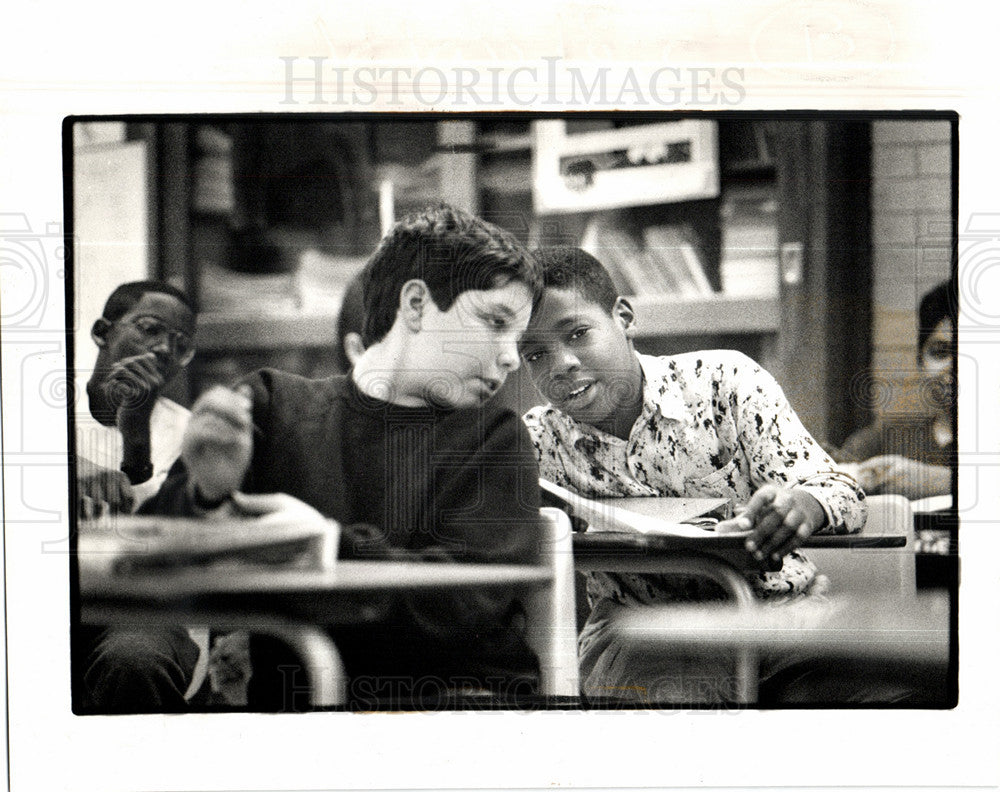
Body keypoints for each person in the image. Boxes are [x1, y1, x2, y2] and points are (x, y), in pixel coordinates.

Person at [140, 204, 544, 711]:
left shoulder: (496, 439)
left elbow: (461, 608)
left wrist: (322, 548)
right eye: (495, 321)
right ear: (416, 304)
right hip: (300, 714)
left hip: (456, 708)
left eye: (519, 337)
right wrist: (207, 497)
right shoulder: (270, 406)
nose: (511, 356)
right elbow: (150, 554)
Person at [516, 247, 910, 706]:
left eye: (578, 333)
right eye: (535, 354)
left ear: (623, 317)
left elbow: (843, 491)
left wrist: (799, 508)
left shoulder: (725, 381)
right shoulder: (538, 439)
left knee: (882, 704)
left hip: (780, 617)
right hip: (642, 630)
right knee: (684, 723)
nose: (560, 364)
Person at [75, 280, 197, 515]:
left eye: (180, 344)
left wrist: (137, 433)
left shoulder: (188, 432)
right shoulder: (42, 407)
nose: (164, 348)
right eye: (150, 329)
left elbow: (157, 522)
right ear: (102, 333)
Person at [837, 281, 956, 500]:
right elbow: (826, 486)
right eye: (941, 352)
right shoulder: (880, 444)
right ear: (920, 360)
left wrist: (940, 482)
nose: (956, 367)